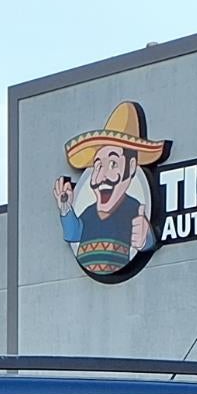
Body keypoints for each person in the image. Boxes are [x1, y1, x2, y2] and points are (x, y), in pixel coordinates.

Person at [54, 101, 165, 277]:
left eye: (113, 163)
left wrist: (146, 240)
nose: (101, 176)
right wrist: (66, 208)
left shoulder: (133, 210)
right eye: (97, 166)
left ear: (131, 167)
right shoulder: (88, 213)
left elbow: (143, 237)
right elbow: (73, 233)